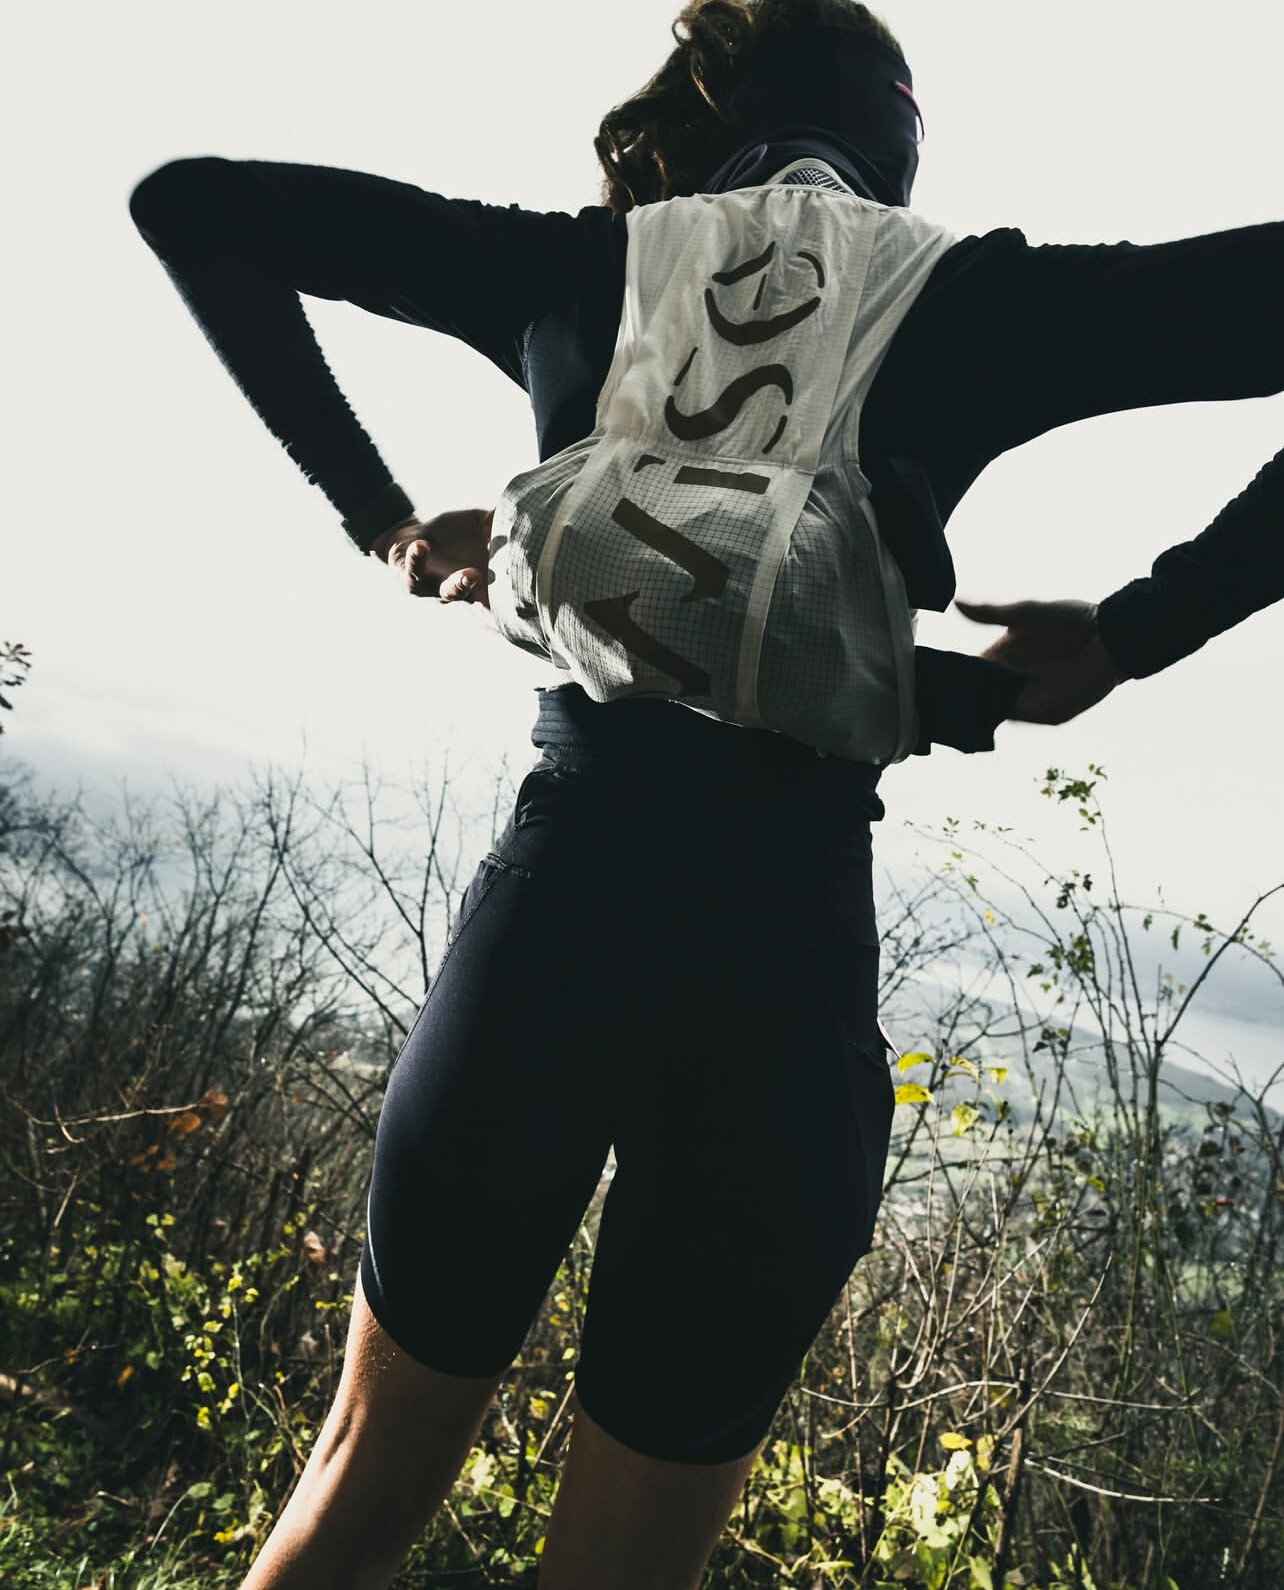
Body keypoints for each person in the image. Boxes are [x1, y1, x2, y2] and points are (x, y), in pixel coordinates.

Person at [127, 2, 1284, 1586]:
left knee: (355, 1492)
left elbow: (189, 208)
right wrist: (1144, 629)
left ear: (714, 122)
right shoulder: (973, 302)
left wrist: (380, 516)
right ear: (893, 152)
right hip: (780, 978)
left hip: (548, 937)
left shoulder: (575, 268)